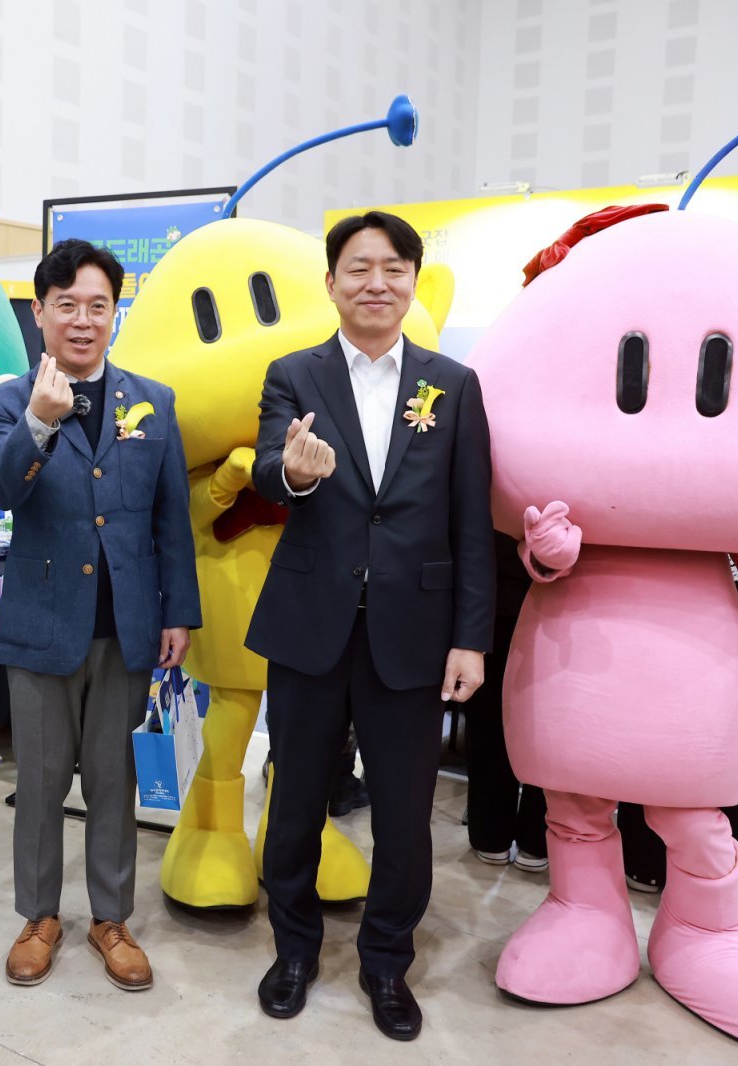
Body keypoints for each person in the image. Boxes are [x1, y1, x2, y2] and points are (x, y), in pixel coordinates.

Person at [245, 211, 494, 1040]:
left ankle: (387, 963)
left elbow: (470, 519)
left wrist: (471, 638)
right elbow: (269, 471)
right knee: (293, 806)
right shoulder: (294, 373)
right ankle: (293, 951)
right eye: (358, 267)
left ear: (413, 282)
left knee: (404, 816)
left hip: (414, 635)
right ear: (331, 283)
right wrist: (295, 474)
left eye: (392, 268)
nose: (375, 282)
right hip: (310, 627)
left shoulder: (453, 385)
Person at [0, 238, 199, 992]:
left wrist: (178, 612)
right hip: (41, 626)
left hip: (128, 626)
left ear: (115, 313)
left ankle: (111, 918)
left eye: (97, 305)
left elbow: (171, 517)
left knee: (114, 781)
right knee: (41, 783)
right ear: (40, 312)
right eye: (66, 304)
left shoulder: (153, 400)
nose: (82, 320)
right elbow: (0, 490)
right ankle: (39, 917)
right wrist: (39, 423)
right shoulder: (7, 401)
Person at [465, 531, 549, 870]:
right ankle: (537, 839)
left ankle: (492, 835)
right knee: (546, 727)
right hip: (556, 601)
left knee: (490, 723)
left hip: (496, 592)